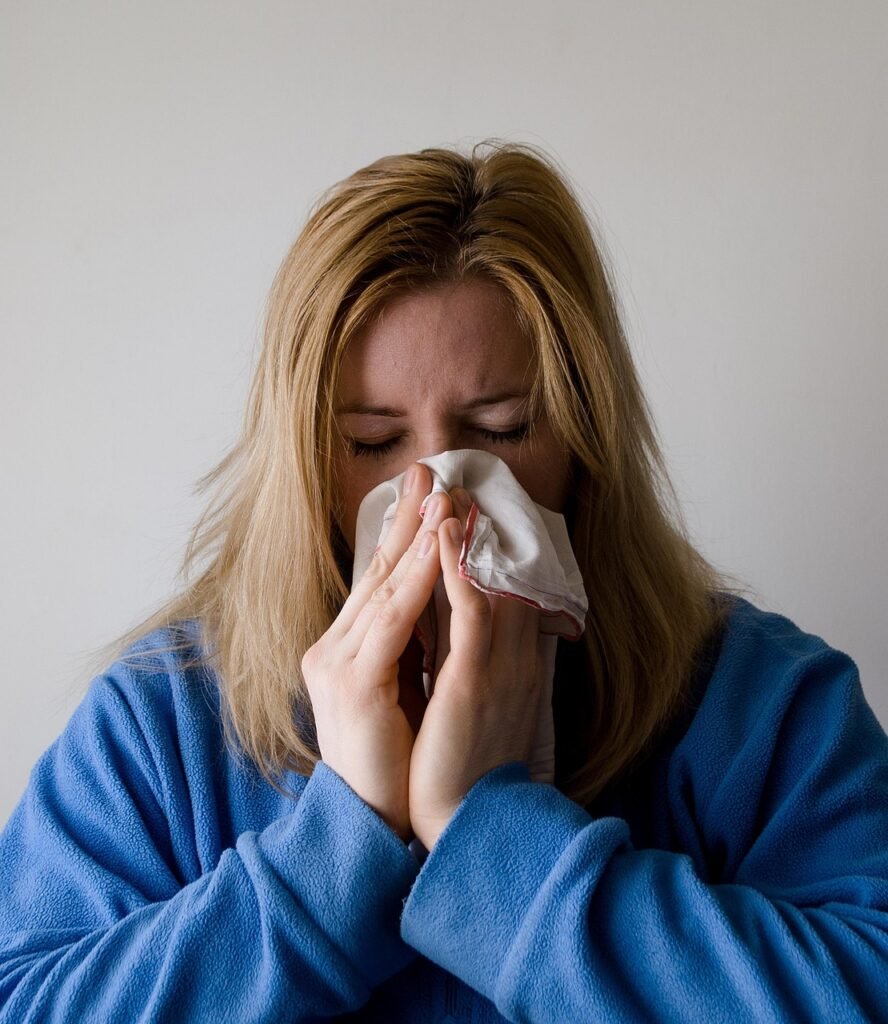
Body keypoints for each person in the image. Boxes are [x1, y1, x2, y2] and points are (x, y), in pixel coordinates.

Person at [1, 141, 886, 1023]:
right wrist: (341, 848)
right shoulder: (166, 725)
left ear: (583, 444)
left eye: (500, 430)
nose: (439, 500)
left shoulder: (759, 704)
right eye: (373, 443)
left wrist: (493, 837)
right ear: (306, 466)